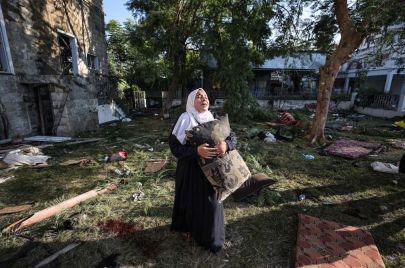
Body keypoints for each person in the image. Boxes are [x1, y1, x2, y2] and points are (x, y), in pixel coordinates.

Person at [169, 88, 237, 253]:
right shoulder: (185, 119)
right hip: (191, 172)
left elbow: (232, 136)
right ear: (192, 101)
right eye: (199, 96)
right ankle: (188, 229)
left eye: (205, 96)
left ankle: (211, 239)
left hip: (213, 171)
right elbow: (175, 147)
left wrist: (226, 145)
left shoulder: (213, 117)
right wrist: (196, 151)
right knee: (190, 202)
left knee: (212, 204)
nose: (203, 99)